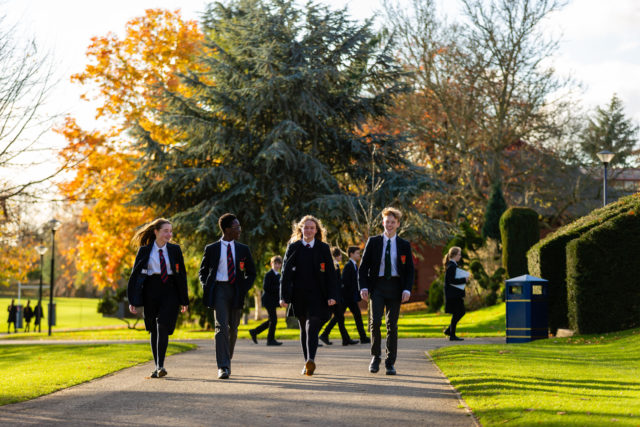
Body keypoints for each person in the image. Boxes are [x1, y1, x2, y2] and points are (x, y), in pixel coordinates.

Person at [127, 218, 189, 379]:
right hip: (151, 290)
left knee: (162, 325)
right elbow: (134, 276)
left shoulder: (175, 250)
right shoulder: (144, 251)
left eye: (170, 231)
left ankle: (161, 365)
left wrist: (184, 299)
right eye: (165, 231)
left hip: (170, 291)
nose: (169, 234)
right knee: (153, 329)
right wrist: (132, 300)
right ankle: (157, 366)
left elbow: (181, 275)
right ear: (156, 232)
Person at [199, 213, 256, 379]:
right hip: (219, 290)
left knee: (233, 328)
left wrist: (244, 287)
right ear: (227, 229)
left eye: (239, 227)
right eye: (236, 227)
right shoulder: (212, 249)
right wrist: (206, 286)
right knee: (221, 327)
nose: (239, 230)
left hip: (236, 290)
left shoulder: (243, 249)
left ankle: (227, 357)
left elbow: (251, 272)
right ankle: (223, 366)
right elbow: (202, 271)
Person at [280, 215, 338, 376]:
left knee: (311, 327)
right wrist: (283, 296)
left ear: (317, 230)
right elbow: (285, 274)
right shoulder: (294, 247)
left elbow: (331, 275)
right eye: (306, 227)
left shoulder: (323, 248)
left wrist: (332, 295)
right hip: (299, 295)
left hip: (318, 295)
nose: (309, 230)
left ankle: (311, 359)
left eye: (312, 228)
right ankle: (307, 363)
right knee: (303, 329)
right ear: (301, 229)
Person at [359, 207, 415, 375]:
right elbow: (363, 268)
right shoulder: (374, 242)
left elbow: (410, 270)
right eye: (387, 222)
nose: (389, 224)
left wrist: (407, 289)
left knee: (392, 325)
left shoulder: (404, 245)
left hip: (396, 288)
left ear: (398, 224)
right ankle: (375, 357)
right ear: (382, 223)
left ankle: (390, 362)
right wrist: (363, 286)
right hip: (377, 287)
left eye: (393, 222)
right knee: (375, 322)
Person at [319, 247, 358, 346]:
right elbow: (334, 283)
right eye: (340, 254)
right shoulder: (333, 266)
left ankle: (343, 339)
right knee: (327, 317)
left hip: (336, 297)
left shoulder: (335, 265)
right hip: (334, 297)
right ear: (336, 255)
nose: (341, 256)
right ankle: (317, 335)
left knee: (339, 318)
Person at [249, 255, 283, 346]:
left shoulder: (279, 276)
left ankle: (254, 332)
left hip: (273, 301)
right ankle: (270, 340)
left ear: (280, 265)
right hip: (268, 300)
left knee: (271, 320)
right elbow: (266, 287)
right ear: (272, 264)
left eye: (279, 264)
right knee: (274, 320)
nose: (277, 265)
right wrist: (278, 287)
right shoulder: (268, 275)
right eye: (275, 263)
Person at [340, 246, 369, 343]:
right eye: (357, 253)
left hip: (350, 297)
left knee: (339, 317)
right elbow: (345, 282)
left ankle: (325, 334)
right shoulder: (348, 266)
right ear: (351, 254)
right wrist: (351, 294)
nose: (359, 255)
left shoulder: (354, 265)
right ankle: (363, 337)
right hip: (347, 297)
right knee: (342, 317)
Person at [443, 246, 467, 341]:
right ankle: (451, 334)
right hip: (453, 295)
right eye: (459, 254)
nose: (460, 256)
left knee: (459, 312)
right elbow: (451, 280)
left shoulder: (452, 265)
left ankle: (449, 331)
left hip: (454, 294)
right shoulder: (451, 266)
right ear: (454, 255)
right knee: (458, 312)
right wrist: (464, 279)